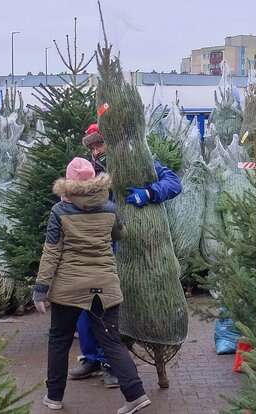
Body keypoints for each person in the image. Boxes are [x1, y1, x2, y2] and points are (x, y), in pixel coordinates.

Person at [33, 157, 151, 414]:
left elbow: (51, 252)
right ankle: (136, 394)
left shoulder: (60, 212)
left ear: (68, 183)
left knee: (59, 340)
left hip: (68, 288)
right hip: (104, 285)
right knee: (111, 342)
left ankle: (53, 397)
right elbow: (120, 234)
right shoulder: (109, 208)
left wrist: (41, 289)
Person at [72, 123, 182, 387]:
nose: (97, 150)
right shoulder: (88, 170)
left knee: (115, 307)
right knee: (87, 304)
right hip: (98, 246)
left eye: (100, 144)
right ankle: (92, 358)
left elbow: (173, 183)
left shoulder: (139, 162)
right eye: (93, 146)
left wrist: (149, 193)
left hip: (130, 247)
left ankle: (113, 362)